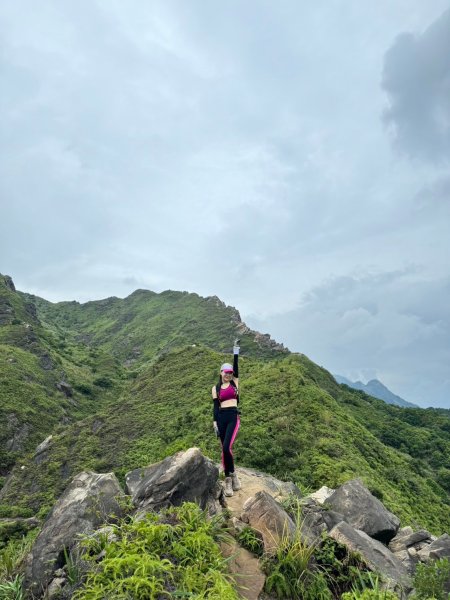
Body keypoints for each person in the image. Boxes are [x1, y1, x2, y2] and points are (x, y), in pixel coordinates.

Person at [212, 339, 241, 497]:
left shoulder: (234, 383)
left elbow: (236, 369)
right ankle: (229, 478)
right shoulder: (215, 388)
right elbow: (216, 407)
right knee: (224, 450)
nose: (229, 374)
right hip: (221, 418)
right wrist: (215, 422)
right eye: (226, 372)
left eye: (230, 373)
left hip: (232, 417)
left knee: (226, 447)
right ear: (221, 373)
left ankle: (233, 475)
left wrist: (235, 352)